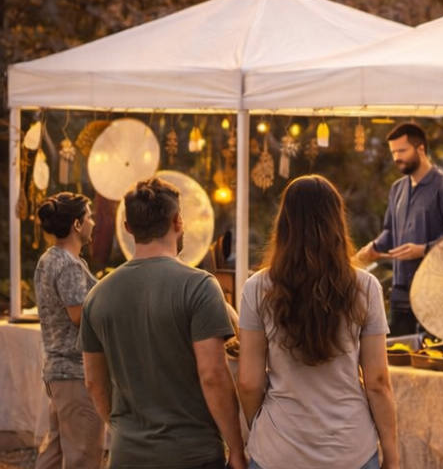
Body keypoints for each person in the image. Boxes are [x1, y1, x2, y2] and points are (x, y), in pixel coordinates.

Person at [80, 178, 246, 469]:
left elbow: (93, 382)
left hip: (127, 454)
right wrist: (236, 447)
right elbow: (213, 375)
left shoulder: (97, 296)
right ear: (178, 221)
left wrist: (123, 431)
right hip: (192, 454)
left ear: (128, 228)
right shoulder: (199, 287)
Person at [238, 175, 399, 469]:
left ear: (284, 223)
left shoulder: (257, 287)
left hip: (277, 451)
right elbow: (377, 382)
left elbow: (249, 382)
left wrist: (260, 429)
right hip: (351, 451)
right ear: (337, 222)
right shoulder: (366, 287)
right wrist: (392, 453)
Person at [354, 122, 443, 335]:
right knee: (399, 353)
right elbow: (390, 231)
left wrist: (423, 249)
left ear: (421, 149)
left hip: (436, 293)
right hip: (400, 293)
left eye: (402, 150)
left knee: (429, 357)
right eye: (393, 152)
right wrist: (373, 247)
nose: (396, 157)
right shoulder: (397, 189)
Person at [32, 192, 104, 469]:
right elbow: (79, 316)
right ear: (77, 224)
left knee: (55, 451)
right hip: (76, 373)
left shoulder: (49, 259)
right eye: (90, 217)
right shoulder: (69, 265)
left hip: (57, 371)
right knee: (84, 456)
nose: (94, 223)